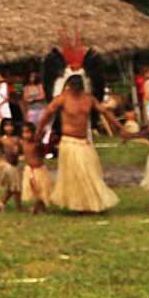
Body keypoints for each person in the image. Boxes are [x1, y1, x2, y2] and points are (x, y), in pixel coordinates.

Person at [40, 75, 121, 213]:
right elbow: (47, 114)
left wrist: (121, 128)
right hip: (69, 143)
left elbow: (105, 112)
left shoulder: (89, 99)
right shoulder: (62, 99)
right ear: (69, 86)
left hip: (84, 142)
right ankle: (80, 205)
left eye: (79, 88)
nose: (77, 91)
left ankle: (86, 204)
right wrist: (38, 132)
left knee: (89, 174)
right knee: (77, 176)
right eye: (75, 88)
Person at [19, 121, 53, 214]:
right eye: (24, 132)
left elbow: (42, 152)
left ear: (33, 133)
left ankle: (37, 207)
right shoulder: (22, 143)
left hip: (40, 169)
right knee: (36, 190)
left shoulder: (37, 144)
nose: (26, 135)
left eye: (28, 132)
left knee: (42, 189)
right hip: (29, 170)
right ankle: (40, 208)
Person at [0, 119, 23, 212]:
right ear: (3, 128)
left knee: (15, 187)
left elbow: (20, 151)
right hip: (6, 165)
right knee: (15, 187)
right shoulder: (1, 140)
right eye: (6, 126)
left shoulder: (17, 139)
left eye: (10, 126)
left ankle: (4, 203)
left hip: (15, 165)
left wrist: (18, 151)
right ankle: (13, 205)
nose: (9, 128)